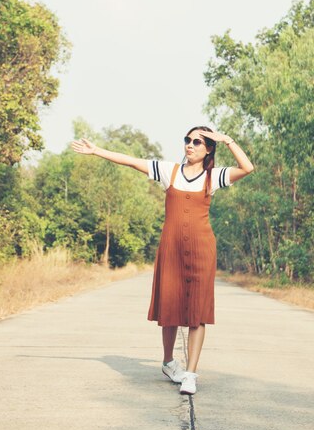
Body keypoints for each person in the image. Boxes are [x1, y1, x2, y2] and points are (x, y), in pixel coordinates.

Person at [72, 126, 254, 395]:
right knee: (170, 309)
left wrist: (227, 140)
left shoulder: (214, 177)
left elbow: (247, 167)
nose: (189, 145)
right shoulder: (169, 171)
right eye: (187, 140)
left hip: (203, 250)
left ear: (208, 149)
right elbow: (132, 161)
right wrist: (97, 151)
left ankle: (190, 373)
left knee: (198, 313)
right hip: (171, 249)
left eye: (197, 142)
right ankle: (169, 362)